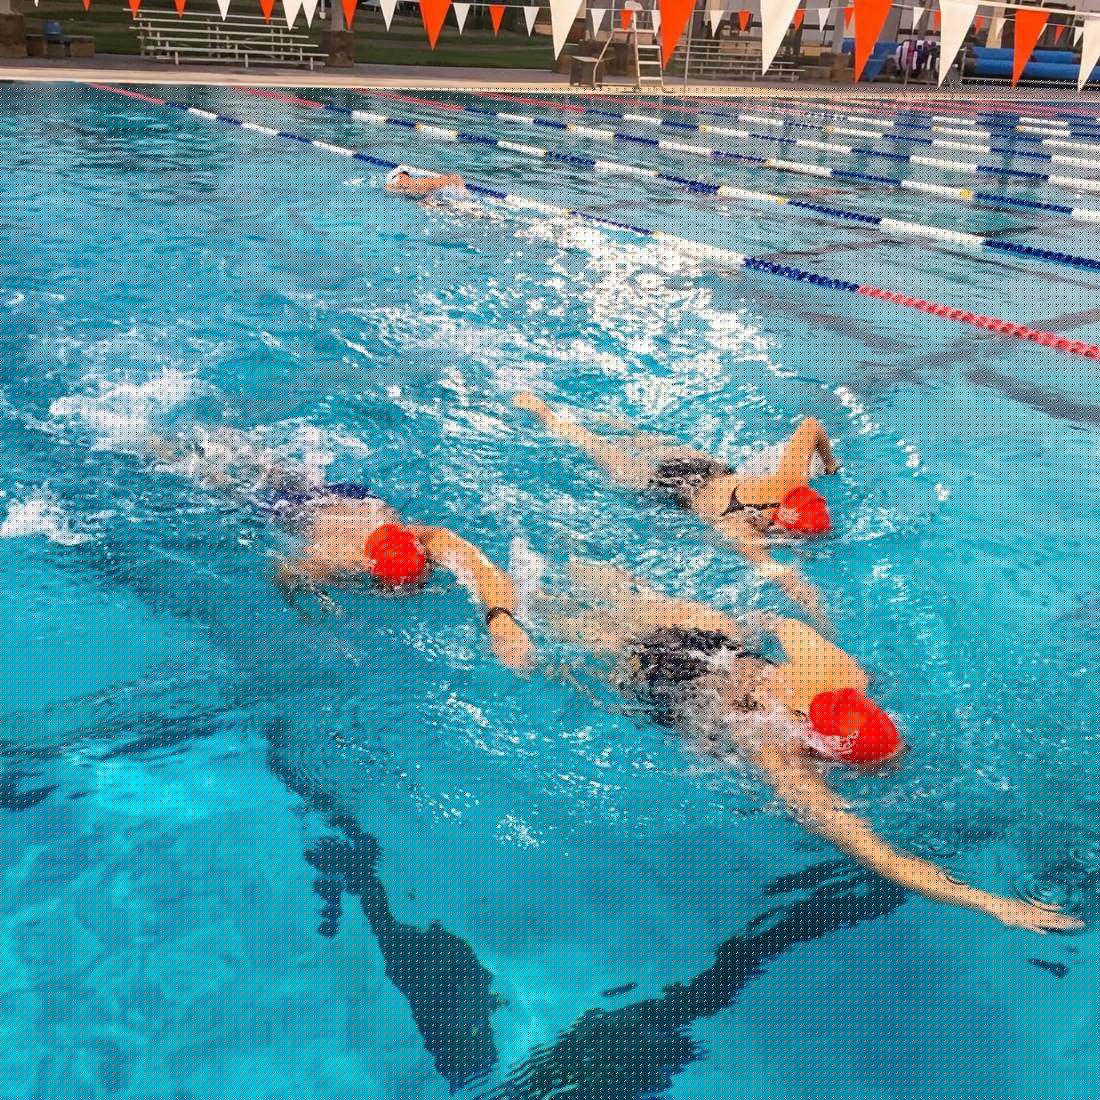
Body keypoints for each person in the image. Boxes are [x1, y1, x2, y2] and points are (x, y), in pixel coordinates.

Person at [542, 561, 1082, 933]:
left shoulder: (837, 672)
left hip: (709, 635)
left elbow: (781, 619)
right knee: (568, 644)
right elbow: (880, 857)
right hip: (662, 682)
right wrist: (990, 902)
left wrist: (800, 606)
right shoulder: (784, 760)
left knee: (587, 591)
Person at [146, 427, 533, 670]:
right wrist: (309, 600)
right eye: (408, 586)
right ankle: (158, 447)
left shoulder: (431, 539)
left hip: (349, 498)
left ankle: (230, 443)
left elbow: (486, 571)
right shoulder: (335, 559)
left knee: (282, 472)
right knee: (225, 482)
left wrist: (501, 621)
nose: (413, 592)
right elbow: (285, 569)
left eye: (420, 579)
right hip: (294, 512)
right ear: (373, 572)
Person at [513, 393, 838, 624]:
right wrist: (821, 618)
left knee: (638, 437)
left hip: (704, 467)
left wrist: (831, 465)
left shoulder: (791, 480)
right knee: (594, 447)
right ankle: (547, 417)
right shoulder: (737, 526)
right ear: (782, 526)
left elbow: (810, 425)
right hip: (670, 488)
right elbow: (781, 576)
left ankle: (595, 417)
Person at [384, 165, 466, 199]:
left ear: (402, 176)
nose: (396, 184)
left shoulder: (423, 183)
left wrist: (464, 193)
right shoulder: (407, 191)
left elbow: (455, 177)